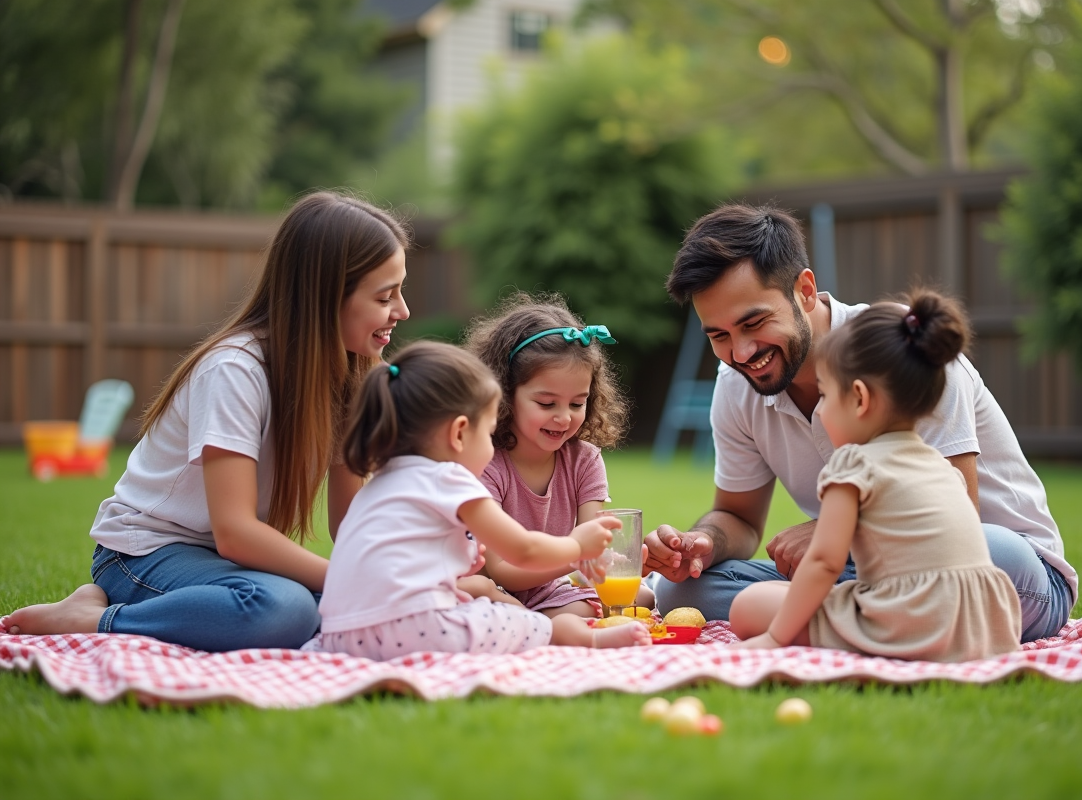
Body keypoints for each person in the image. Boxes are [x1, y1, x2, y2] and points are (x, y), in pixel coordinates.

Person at [647, 203, 1076, 643]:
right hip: (862, 572)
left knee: (997, 550)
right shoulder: (736, 387)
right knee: (686, 588)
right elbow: (738, 518)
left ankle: (826, 621)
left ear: (806, 291)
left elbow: (958, 513)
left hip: (991, 568)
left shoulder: (903, 354)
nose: (740, 353)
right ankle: (870, 624)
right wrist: (702, 544)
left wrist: (833, 528)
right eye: (718, 336)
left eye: (754, 322)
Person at [1, 192, 411, 651]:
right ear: (326, 296)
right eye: (385, 295)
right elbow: (235, 532)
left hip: (218, 560)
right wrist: (346, 580)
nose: (403, 310)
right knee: (287, 608)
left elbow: (350, 523)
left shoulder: (350, 379)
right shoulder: (235, 370)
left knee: (345, 606)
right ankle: (97, 619)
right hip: (144, 552)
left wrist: (408, 570)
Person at [729, 291, 1022, 661]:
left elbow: (824, 563)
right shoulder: (939, 467)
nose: (821, 410)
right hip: (977, 628)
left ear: (860, 399)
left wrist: (775, 638)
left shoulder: (853, 465)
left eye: (826, 395)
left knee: (748, 605)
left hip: (903, 623)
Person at [316, 342, 652, 660]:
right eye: (488, 431)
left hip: (341, 636)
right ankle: (574, 636)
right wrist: (578, 548)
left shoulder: (382, 483)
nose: (492, 448)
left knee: (475, 601)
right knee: (519, 623)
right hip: (413, 630)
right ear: (459, 432)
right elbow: (524, 551)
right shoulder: (449, 479)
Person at [463, 294, 652, 618]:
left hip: (555, 585)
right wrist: (576, 555)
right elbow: (501, 569)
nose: (564, 418)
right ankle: (537, 623)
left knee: (643, 596)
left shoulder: (584, 461)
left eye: (577, 404)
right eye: (547, 404)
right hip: (497, 588)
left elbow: (593, 543)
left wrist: (607, 560)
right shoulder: (488, 465)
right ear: (504, 394)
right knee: (482, 594)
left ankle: (541, 622)